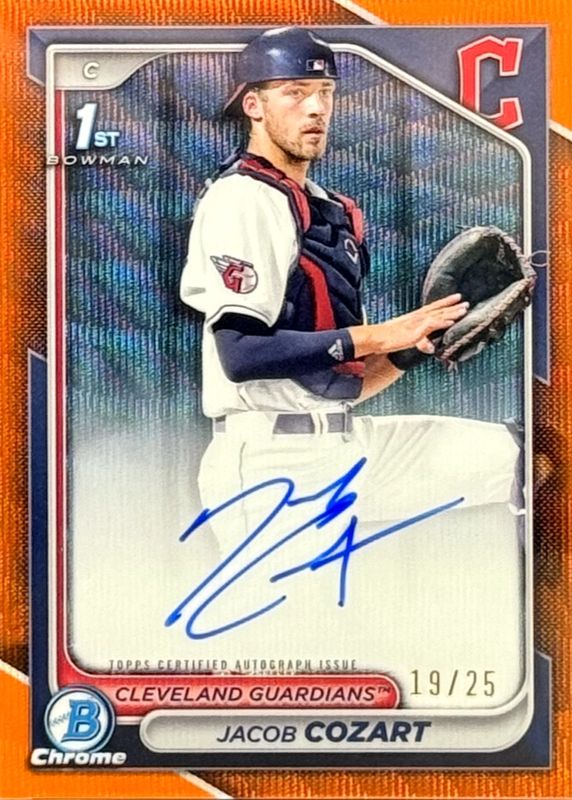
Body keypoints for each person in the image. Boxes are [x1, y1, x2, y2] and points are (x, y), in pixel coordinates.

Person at [178, 27, 521, 656]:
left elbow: (338, 384)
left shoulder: (325, 209)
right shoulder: (242, 200)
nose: (315, 107)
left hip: (346, 445)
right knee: (295, 653)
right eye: (293, 91)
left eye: (325, 92)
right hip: (267, 465)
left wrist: (415, 345)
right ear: (253, 104)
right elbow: (243, 354)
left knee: (521, 458)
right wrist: (382, 333)